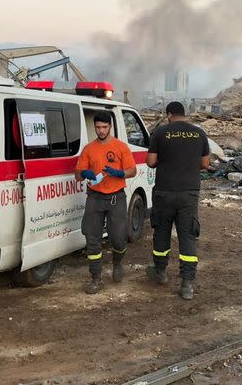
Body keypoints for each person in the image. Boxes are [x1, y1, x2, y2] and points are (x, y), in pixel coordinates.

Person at [146, 101, 210, 300]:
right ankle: (187, 284)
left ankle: (160, 272)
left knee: (162, 231)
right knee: (188, 235)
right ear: (185, 114)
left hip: (164, 192)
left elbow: (150, 162)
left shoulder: (160, 133)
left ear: (169, 115)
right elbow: (206, 163)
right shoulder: (199, 134)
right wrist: (188, 166)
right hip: (189, 193)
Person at [74, 112, 136, 294]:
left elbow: (132, 170)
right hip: (95, 198)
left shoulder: (120, 147)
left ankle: (118, 263)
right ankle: (96, 278)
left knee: (118, 237)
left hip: (116, 197)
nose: (101, 131)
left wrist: (120, 173)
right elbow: (77, 173)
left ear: (110, 127)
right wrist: (84, 173)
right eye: (98, 127)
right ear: (94, 127)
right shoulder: (88, 149)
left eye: (104, 127)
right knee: (92, 238)